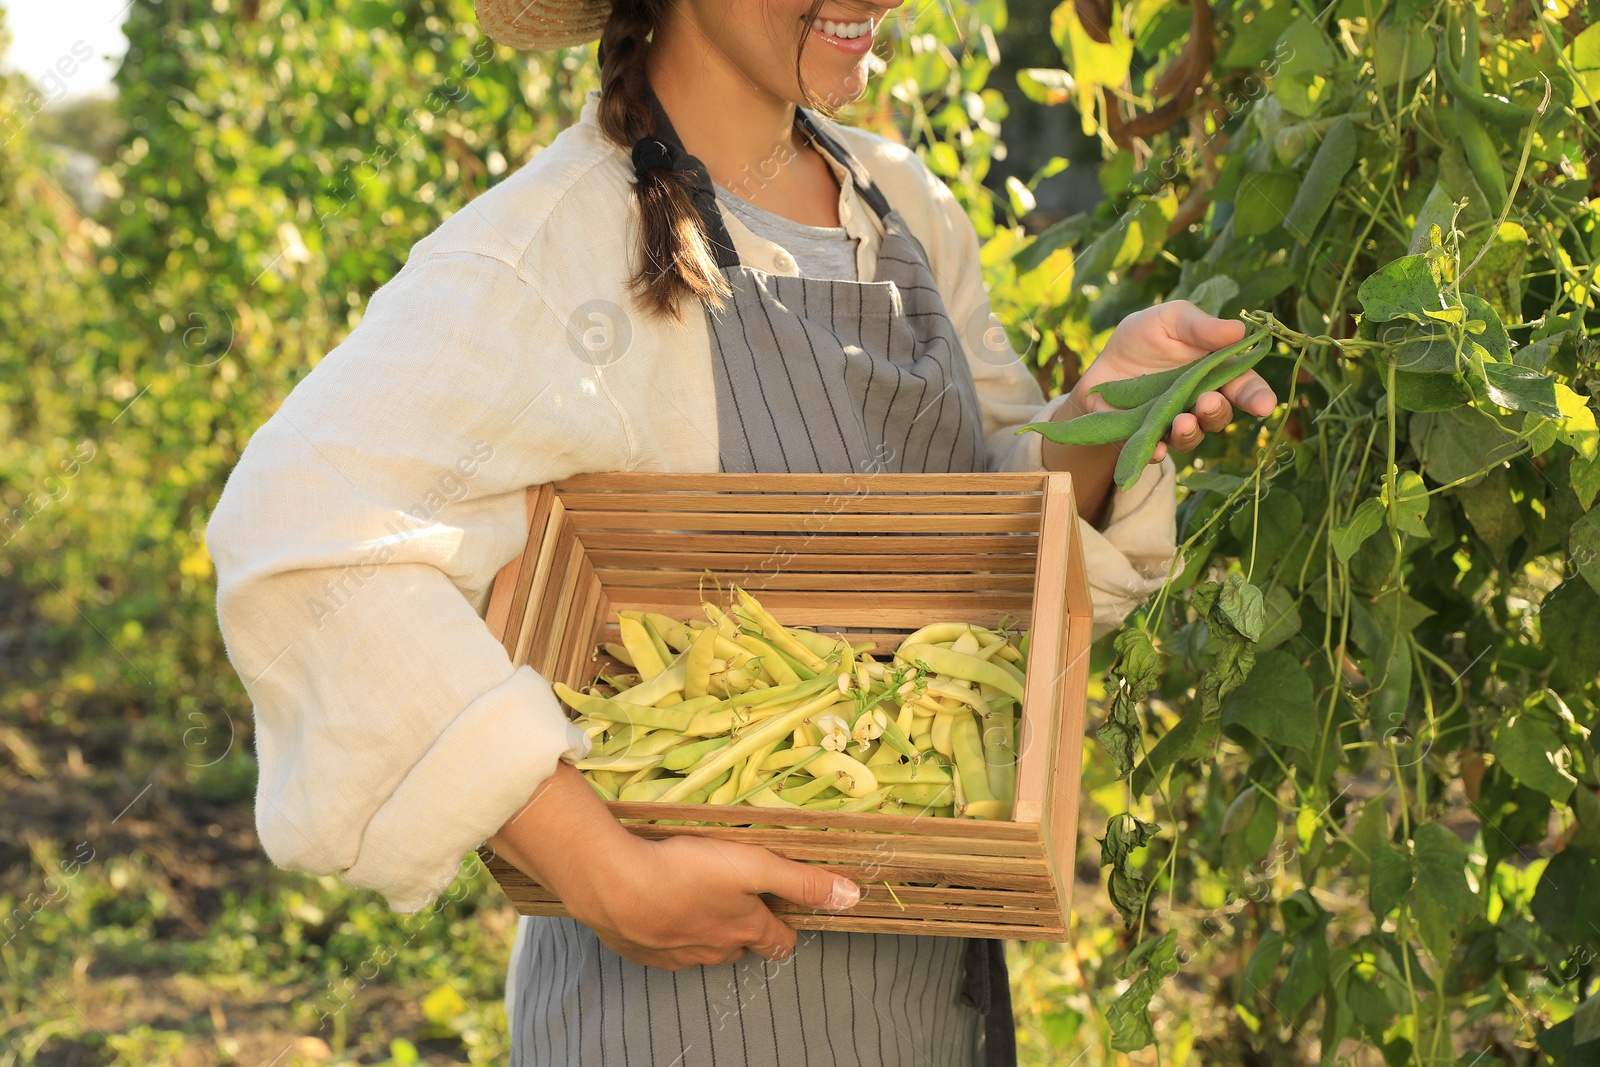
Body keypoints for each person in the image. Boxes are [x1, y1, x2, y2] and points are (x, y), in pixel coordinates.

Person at [205, 0, 1278, 1063]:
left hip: (935, 997)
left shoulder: (901, 204)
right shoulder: (555, 249)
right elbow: (297, 534)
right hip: (683, 1016)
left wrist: (1102, 413)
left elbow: (985, 541)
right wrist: (599, 869)